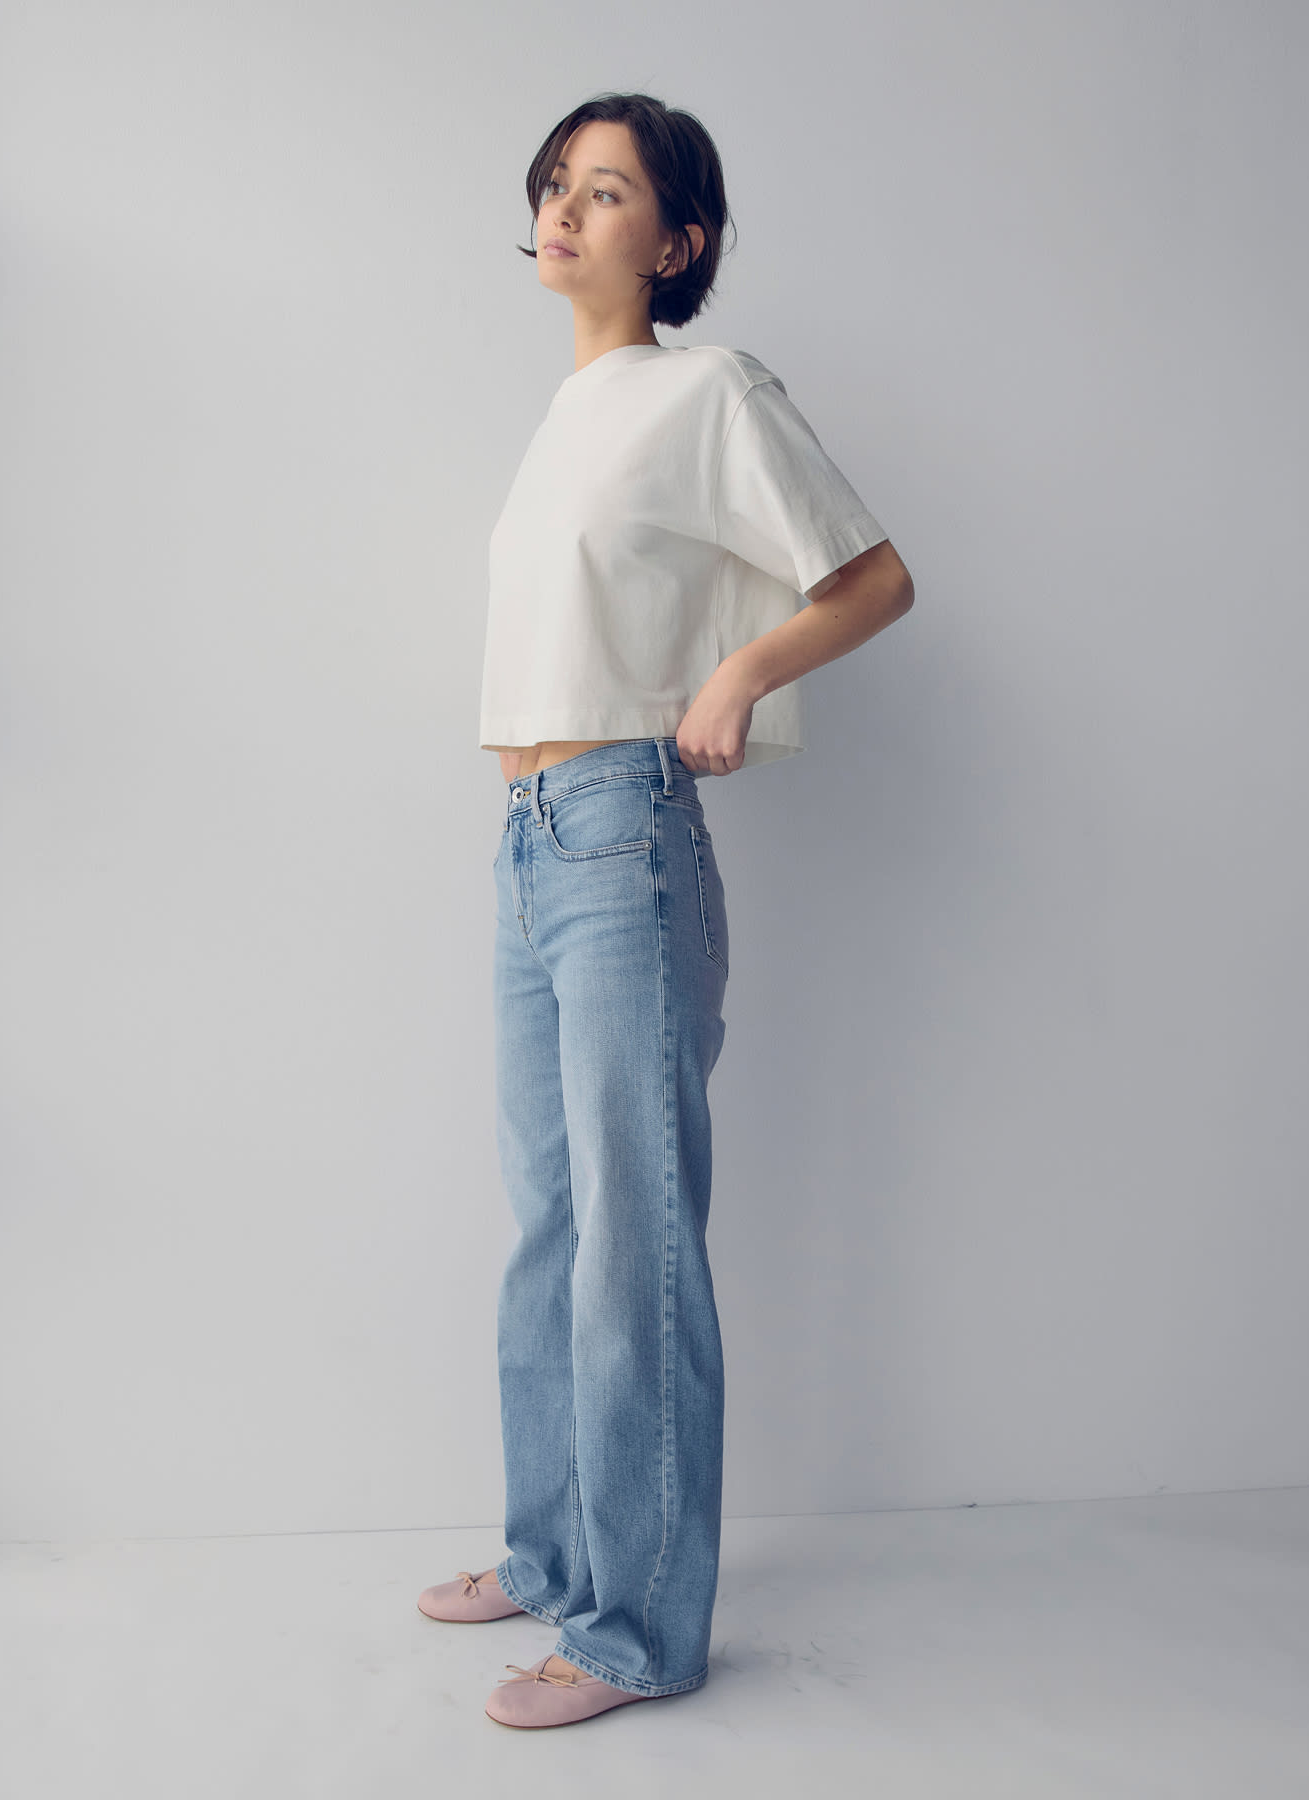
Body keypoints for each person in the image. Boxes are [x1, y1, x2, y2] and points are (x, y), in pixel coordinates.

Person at [416, 91, 914, 1730]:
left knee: (632, 1244)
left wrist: (741, 673)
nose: (564, 209)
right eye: (555, 183)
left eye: (608, 190)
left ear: (679, 241)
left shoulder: (707, 391)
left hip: (623, 834)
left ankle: (635, 1634)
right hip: (527, 842)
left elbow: (872, 576)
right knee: (551, 1231)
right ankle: (556, 1555)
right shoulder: (565, 417)